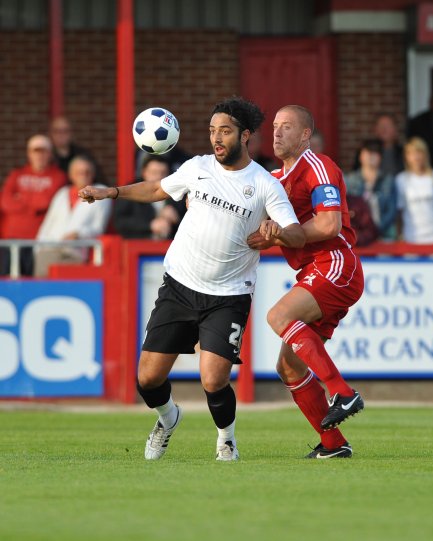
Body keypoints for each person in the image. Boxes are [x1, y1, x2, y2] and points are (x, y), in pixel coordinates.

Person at [78, 97, 304, 462]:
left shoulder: (265, 184)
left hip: (228, 295)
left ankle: (226, 440)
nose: (217, 138)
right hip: (180, 286)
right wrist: (112, 192)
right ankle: (168, 419)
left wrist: (277, 230)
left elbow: (297, 234)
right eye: (213, 130)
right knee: (147, 379)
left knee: (213, 380)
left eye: (225, 131)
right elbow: (156, 190)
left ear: (245, 135)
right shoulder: (197, 167)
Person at [250, 104, 365, 459]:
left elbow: (329, 225)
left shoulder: (318, 166)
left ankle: (342, 392)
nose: (277, 132)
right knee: (288, 366)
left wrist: (280, 235)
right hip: (314, 270)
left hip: (335, 264)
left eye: (287, 126)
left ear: (305, 135)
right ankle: (333, 445)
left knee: (278, 317)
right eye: (275, 126)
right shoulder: (271, 179)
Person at [0, 134, 66, 276]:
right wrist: (32, 206)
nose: (39, 156)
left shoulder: (57, 176)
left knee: (31, 281)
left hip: (38, 240)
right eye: (36, 151)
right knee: (6, 279)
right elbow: (5, 202)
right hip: (10, 238)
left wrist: (20, 198)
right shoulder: (17, 174)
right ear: (29, 153)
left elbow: (45, 202)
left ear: (50, 153)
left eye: (43, 151)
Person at [35, 155, 112, 276]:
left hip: (75, 252)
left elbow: (98, 228)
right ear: (71, 175)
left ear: (93, 174)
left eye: (87, 172)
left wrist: (78, 233)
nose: (83, 175)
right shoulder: (62, 193)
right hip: (49, 248)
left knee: (66, 290)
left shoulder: (101, 192)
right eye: (79, 172)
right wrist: (38, 247)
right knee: (42, 289)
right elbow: (48, 223)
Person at [113, 155, 186, 240]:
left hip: (170, 246)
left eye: (163, 173)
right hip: (137, 246)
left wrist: (177, 219)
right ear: (144, 172)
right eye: (154, 173)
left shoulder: (178, 194)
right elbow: (120, 222)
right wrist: (150, 225)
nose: (159, 177)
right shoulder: (130, 191)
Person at [395, 137, 433, 244]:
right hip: (411, 236)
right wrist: (399, 235)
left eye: (419, 152)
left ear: (425, 154)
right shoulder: (401, 179)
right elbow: (399, 210)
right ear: (406, 157)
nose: (416, 157)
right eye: (411, 153)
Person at [344, 139, 397, 241]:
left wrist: (375, 230)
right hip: (358, 237)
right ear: (361, 156)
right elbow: (345, 210)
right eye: (368, 152)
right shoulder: (349, 180)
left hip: (384, 236)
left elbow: (391, 211)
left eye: (375, 152)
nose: (372, 156)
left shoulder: (388, 181)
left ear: (380, 157)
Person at [353, 113, 404, 177]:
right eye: (381, 125)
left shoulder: (404, 153)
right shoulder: (366, 151)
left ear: (396, 130)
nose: (384, 129)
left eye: (388, 125)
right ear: (375, 130)